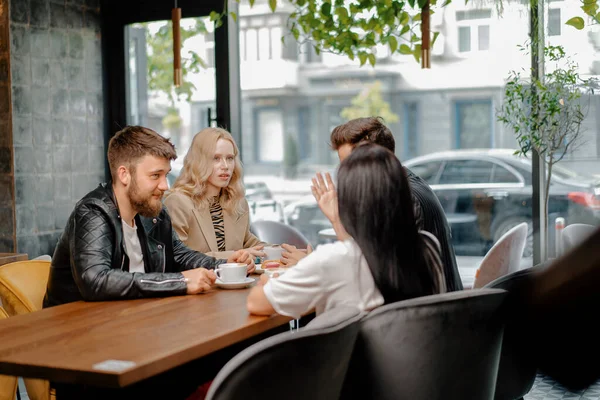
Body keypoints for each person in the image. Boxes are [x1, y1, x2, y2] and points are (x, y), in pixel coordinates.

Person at [43, 126, 254, 308]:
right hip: (76, 330)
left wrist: (222, 266)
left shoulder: (152, 213)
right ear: (124, 174)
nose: (165, 185)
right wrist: (179, 282)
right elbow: (96, 281)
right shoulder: (93, 212)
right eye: (155, 175)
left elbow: (180, 255)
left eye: (165, 174)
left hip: (130, 319)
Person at [247, 144, 446, 318]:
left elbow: (256, 303)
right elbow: (361, 253)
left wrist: (267, 280)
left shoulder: (335, 260)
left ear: (351, 201)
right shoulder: (427, 246)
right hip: (415, 359)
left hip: (352, 361)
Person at [281, 117, 463, 292]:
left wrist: (311, 266)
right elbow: (368, 262)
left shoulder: (404, 200)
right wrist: (336, 219)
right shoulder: (402, 184)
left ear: (374, 158)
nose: (346, 175)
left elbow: (372, 278)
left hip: (424, 317)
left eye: (351, 165)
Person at [164, 127, 266, 260]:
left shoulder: (237, 202)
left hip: (237, 280)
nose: (225, 166)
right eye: (216, 158)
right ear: (199, 161)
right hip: (197, 280)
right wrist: (232, 256)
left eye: (230, 158)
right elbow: (177, 258)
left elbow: (249, 243)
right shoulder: (178, 202)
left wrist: (283, 251)